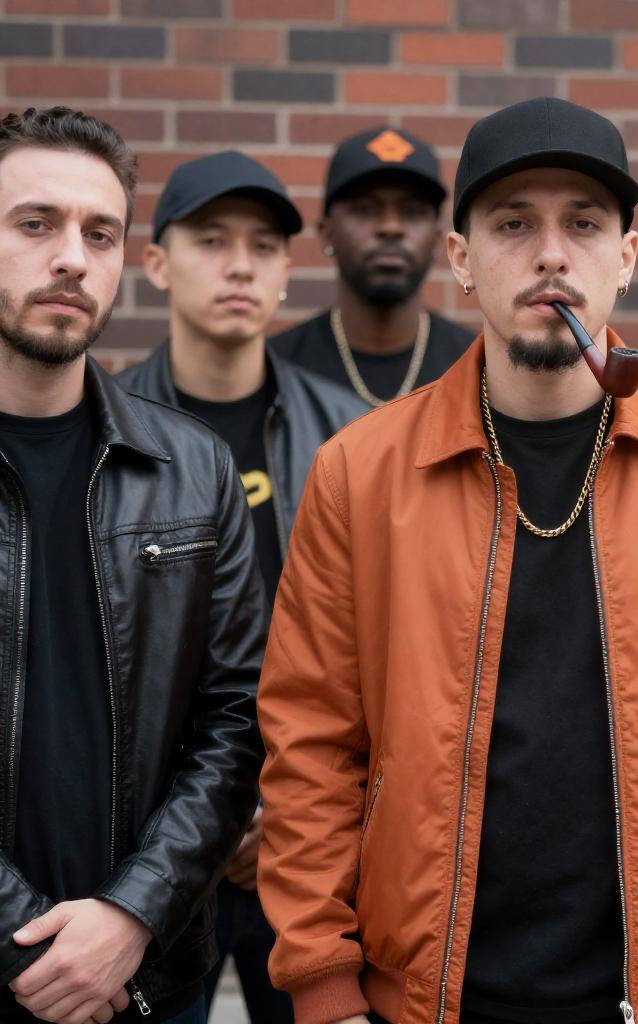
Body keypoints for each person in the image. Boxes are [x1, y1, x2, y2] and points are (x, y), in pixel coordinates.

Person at [257, 96, 638, 1024]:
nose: (552, 255)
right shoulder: (359, 474)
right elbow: (311, 747)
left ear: (628, 257)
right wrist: (326, 989)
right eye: (514, 224)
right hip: (426, 1003)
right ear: (461, 259)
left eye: (585, 224)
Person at [0, 108, 265, 1024]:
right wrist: (24, 939)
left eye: (100, 233)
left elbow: (236, 720)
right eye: (36, 224)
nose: (72, 258)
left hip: (145, 980)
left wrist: (131, 913)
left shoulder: (193, 469)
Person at [117, 151, 366, 1024]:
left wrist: (285, 807)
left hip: (313, 842)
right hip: (153, 851)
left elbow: (368, 652)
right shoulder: (108, 432)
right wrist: (207, 821)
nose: (240, 266)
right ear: (157, 264)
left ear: (287, 271)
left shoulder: (349, 438)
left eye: (263, 246)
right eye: (212, 240)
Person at [270, 126, 474, 407]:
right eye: (365, 209)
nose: (390, 227)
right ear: (326, 233)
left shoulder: (476, 366)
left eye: (412, 212)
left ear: (438, 238)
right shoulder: (275, 369)